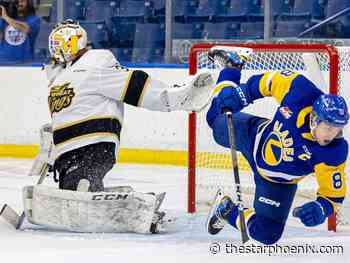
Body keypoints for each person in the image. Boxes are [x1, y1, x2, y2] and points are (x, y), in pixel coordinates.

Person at [19, 19, 214, 234]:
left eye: (59, 43)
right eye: (53, 44)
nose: (55, 49)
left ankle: (132, 210)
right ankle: (115, 203)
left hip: (93, 146)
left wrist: (174, 98)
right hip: (66, 155)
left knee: (79, 186)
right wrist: (51, 141)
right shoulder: (60, 77)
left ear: (72, 42)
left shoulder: (95, 64)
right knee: (72, 191)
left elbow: (132, 84)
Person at [206, 46, 349, 245]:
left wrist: (322, 208)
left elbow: (334, 194)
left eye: (338, 128)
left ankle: (226, 209)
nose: (333, 134)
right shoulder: (300, 91)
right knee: (215, 117)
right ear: (315, 119)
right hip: (253, 135)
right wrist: (244, 93)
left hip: (277, 184)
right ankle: (232, 66)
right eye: (328, 127)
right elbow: (269, 82)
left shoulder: (335, 151)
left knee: (267, 234)